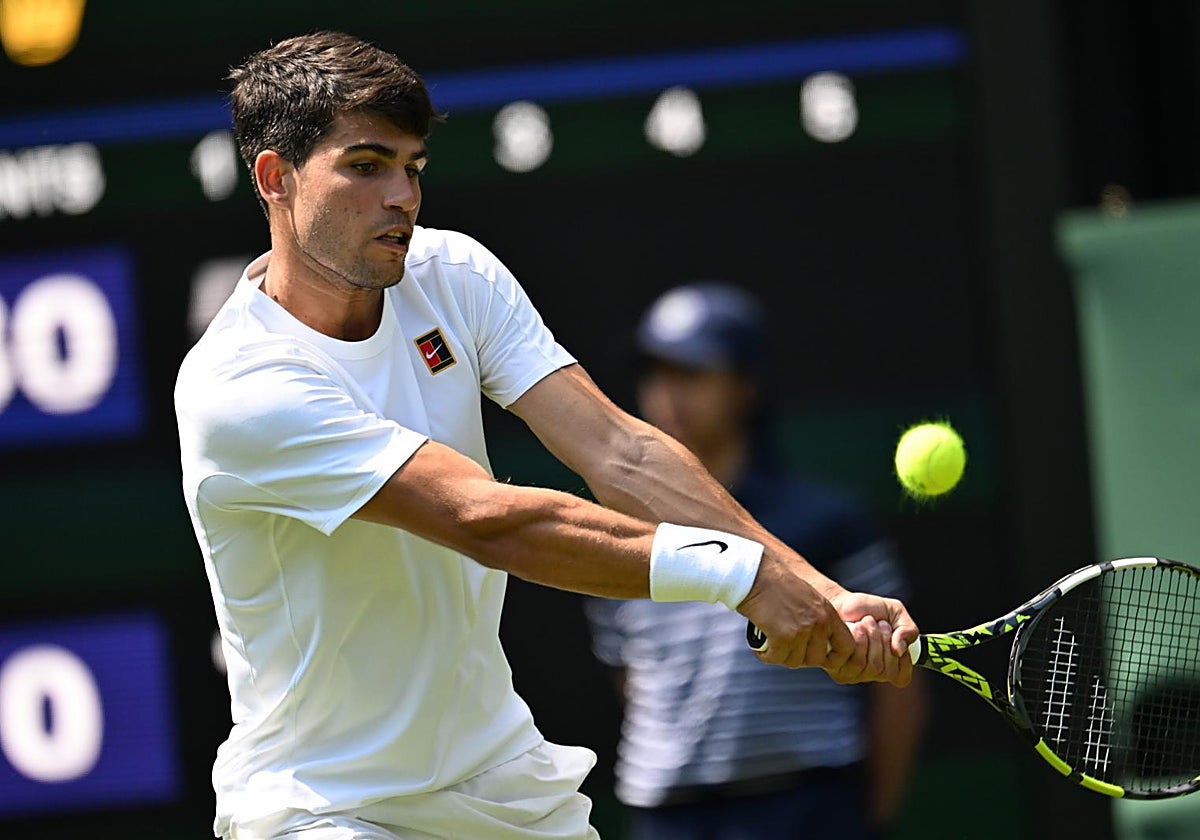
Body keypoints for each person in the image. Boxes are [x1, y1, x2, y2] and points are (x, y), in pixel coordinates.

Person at [173, 30, 919, 840]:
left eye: (413, 167)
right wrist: (742, 577)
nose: (403, 197)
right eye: (366, 165)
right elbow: (489, 521)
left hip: (502, 786)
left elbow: (619, 450)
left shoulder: (452, 274)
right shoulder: (239, 386)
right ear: (275, 179)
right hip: (325, 807)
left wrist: (811, 589)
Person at [585, 281, 927, 839]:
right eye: (656, 373)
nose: (668, 393)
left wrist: (872, 820)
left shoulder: (830, 523)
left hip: (807, 809)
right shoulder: (610, 535)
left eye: (692, 373)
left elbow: (899, 687)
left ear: (745, 386)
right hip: (667, 816)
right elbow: (629, 674)